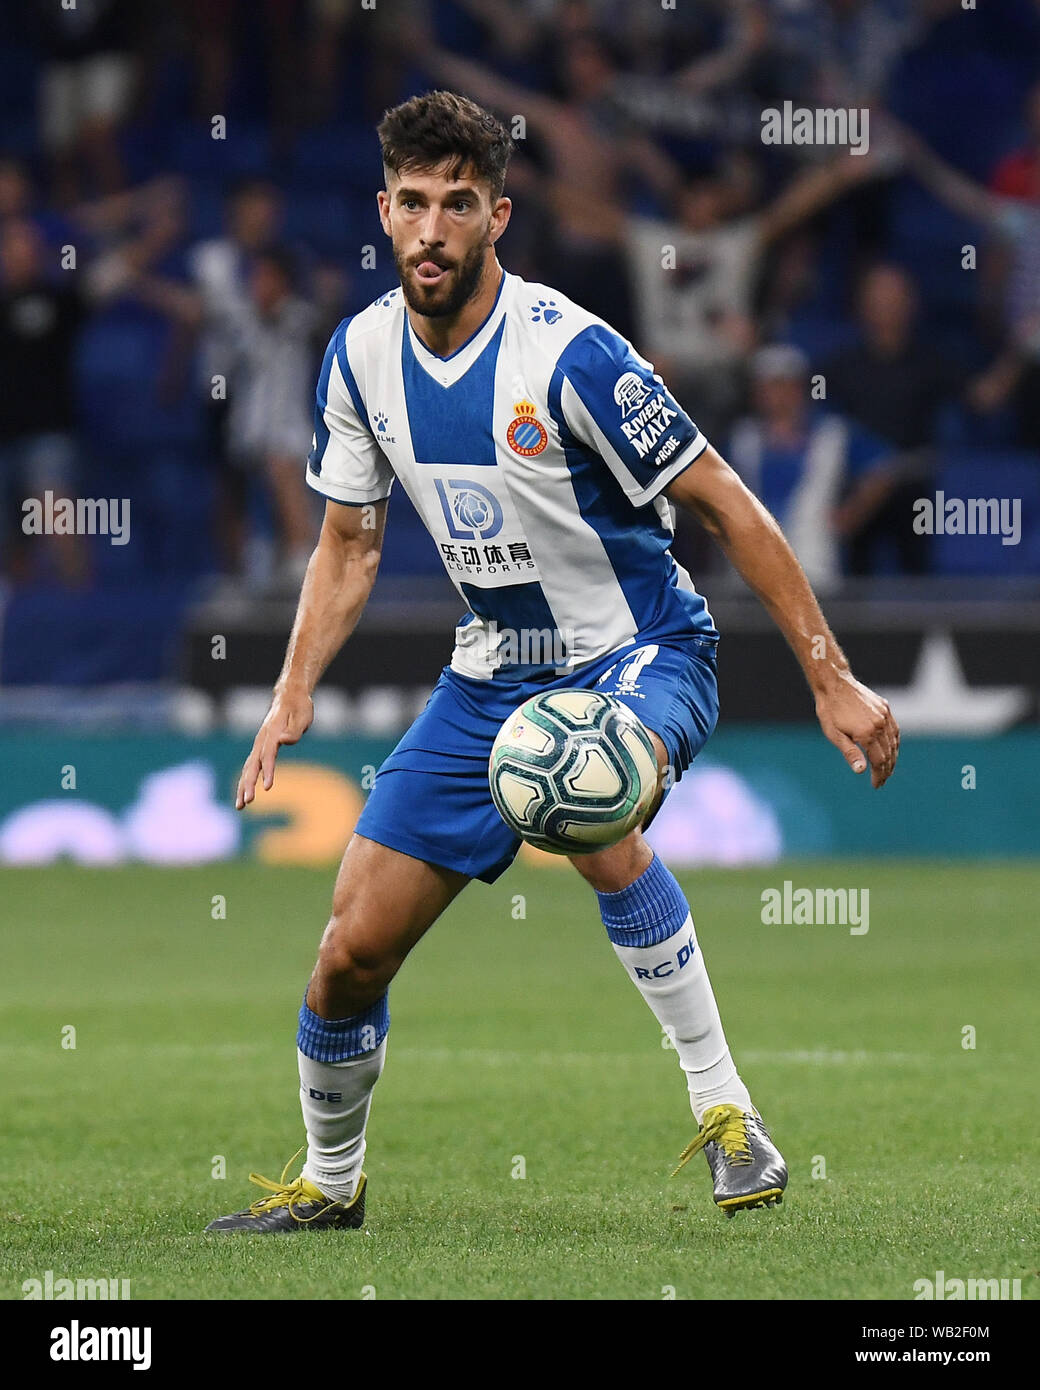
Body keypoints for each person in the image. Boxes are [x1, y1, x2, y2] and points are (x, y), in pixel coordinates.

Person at [206, 91, 899, 1235]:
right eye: (413, 204)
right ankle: (331, 1185)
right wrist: (290, 692)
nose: (432, 230)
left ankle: (729, 1115)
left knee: (579, 798)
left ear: (498, 217)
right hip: (489, 677)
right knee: (344, 956)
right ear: (383, 211)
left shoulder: (572, 356)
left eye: (458, 205)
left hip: (638, 651)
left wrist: (829, 672)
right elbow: (347, 539)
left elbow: (722, 501)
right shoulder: (360, 358)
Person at [728, 344, 891, 588]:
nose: (777, 394)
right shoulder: (742, 438)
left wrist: (850, 516)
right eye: (768, 386)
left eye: (784, 385)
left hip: (815, 566)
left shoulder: (832, 434)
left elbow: (883, 468)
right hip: (748, 572)